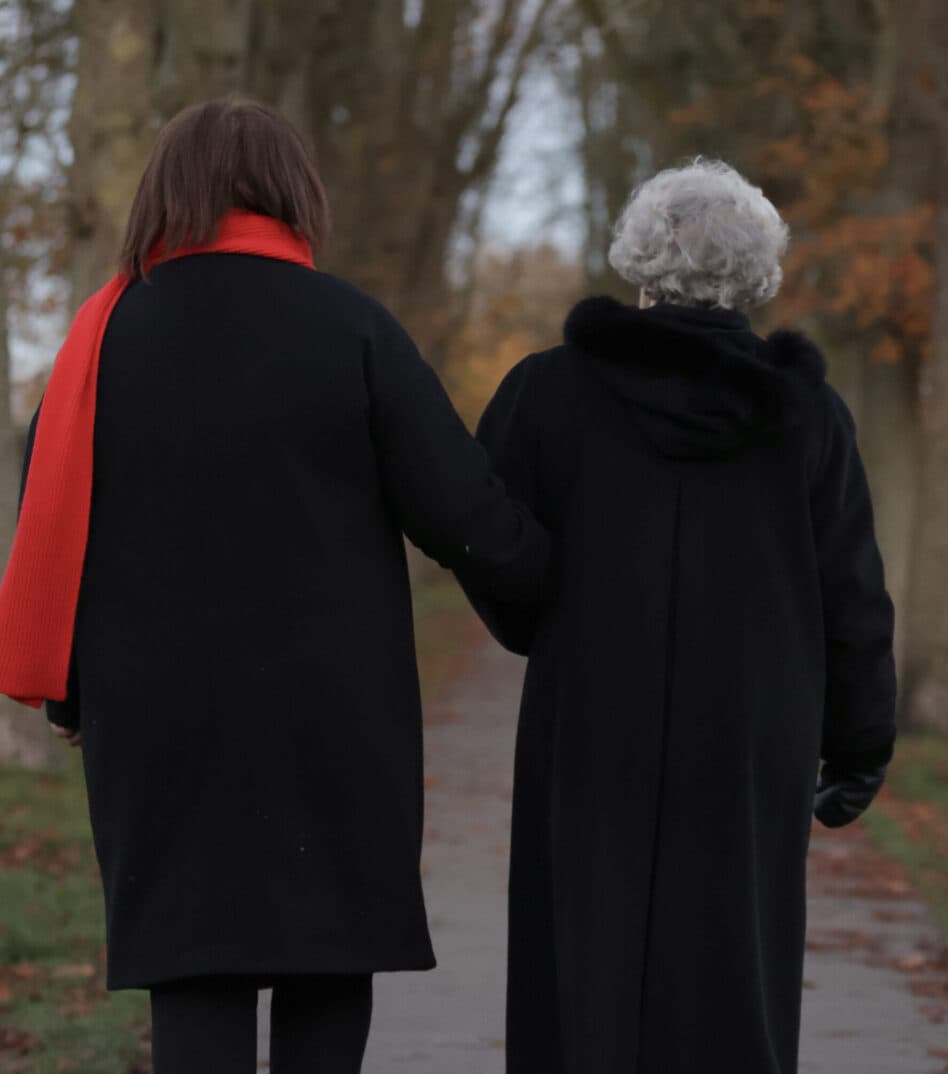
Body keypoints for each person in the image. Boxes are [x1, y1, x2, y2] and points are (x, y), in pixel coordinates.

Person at [0, 99, 549, 1074]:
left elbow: (55, 529)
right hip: (330, 716)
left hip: (161, 720)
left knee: (194, 971)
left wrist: (74, 695)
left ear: (164, 195)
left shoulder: (99, 343)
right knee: (326, 965)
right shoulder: (352, 329)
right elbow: (467, 516)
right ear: (294, 192)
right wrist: (566, 595)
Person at [467, 159, 897, 1074]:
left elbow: (490, 539)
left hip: (590, 718)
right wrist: (859, 744)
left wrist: (542, 623)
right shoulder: (808, 415)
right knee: (732, 961)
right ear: (755, 274)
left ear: (641, 266)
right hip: (751, 734)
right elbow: (852, 592)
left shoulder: (548, 393)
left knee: (583, 954)